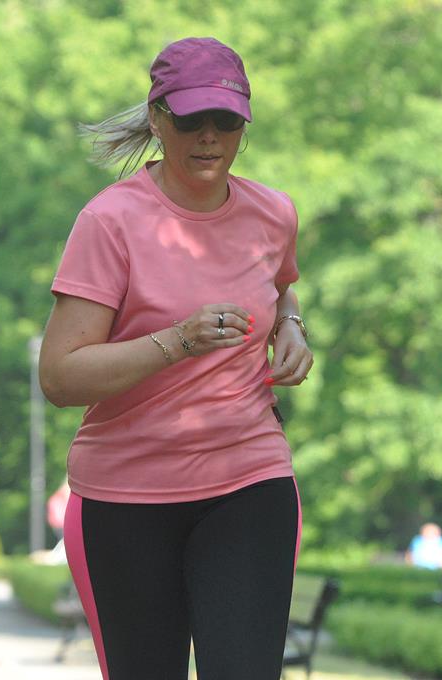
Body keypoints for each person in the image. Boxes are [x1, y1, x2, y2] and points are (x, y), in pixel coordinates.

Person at [38, 37, 313, 680]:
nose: (210, 137)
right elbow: (59, 376)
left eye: (227, 120)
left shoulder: (273, 213)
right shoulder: (111, 221)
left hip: (249, 478)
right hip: (126, 495)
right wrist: (178, 341)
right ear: (159, 119)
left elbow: (280, 283)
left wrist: (292, 326)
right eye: (191, 120)